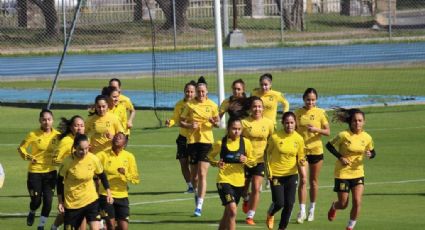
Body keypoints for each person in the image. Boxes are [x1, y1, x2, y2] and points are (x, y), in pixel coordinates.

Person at [326, 108, 376, 230]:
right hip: (342, 173)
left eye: (360, 120)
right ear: (350, 122)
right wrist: (341, 157)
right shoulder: (343, 135)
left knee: (357, 201)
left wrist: (371, 154)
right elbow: (329, 145)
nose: (357, 123)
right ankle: (334, 206)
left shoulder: (367, 137)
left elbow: (373, 151)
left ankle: (350, 226)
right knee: (343, 204)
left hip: (358, 173)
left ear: (364, 122)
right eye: (355, 121)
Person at [180, 76, 220, 217]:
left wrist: (214, 122)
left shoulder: (213, 105)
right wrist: (191, 125)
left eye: (203, 91)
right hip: (192, 142)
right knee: (194, 176)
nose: (201, 94)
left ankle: (200, 206)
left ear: (207, 91)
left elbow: (218, 123)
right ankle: (196, 194)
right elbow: (182, 122)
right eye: (199, 91)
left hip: (206, 142)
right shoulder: (190, 105)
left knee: (203, 174)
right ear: (196, 92)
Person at [57, 134, 113, 230]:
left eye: (86, 148)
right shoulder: (67, 162)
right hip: (72, 203)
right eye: (81, 149)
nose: (84, 152)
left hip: (91, 200)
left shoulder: (93, 159)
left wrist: (109, 192)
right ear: (75, 147)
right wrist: (60, 202)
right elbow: (59, 182)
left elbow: (102, 175)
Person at [208, 117, 256, 230]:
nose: (237, 131)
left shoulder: (246, 143)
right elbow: (208, 157)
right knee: (233, 210)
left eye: (239, 129)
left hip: (239, 183)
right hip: (223, 180)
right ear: (228, 128)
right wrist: (216, 163)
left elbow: (253, 162)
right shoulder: (221, 143)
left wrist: (246, 160)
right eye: (234, 129)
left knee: (228, 212)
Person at [17, 109, 60, 230]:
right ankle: (32, 211)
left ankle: (41, 225)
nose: (47, 122)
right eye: (44, 120)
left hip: (50, 172)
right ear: (40, 121)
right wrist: (29, 157)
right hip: (35, 172)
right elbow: (21, 148)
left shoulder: (58, 135)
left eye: (49, 119)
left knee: (48, 201)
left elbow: (65, 148)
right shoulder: (33, 134)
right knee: (36, 201)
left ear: (52, 120)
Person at [294, 88, 330, 223]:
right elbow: (293, 130)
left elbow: (327, 131)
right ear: (304, 99)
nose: (310, 102)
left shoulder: (321, 113)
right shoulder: (297, 113)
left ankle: (312, 210)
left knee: (313, 181)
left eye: (313, 99)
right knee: (303, 180)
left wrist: (316, 129)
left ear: (316, 100)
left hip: (316, 151)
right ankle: (302, 211)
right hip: (301, 152)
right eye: (308, 99)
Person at [265, 112, 306, 230]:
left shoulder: (299, 139)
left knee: (290, 204)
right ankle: (270, 213)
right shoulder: (275, 137)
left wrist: (302, 161)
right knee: (279, 203)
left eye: (292, 122)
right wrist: (269, 172)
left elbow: (301, 156)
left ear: (295, 123)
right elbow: (267, 154)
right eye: (287, 123)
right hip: (276, 175)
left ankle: (282, 228)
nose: (289, 125)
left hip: (292, 175)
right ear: (283, 123)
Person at [241, 96, 274, 225]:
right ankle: (245, 198)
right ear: (250, 108)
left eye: (259, 106)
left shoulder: (269, 123)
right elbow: (238, 141)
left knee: (256, 187)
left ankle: (250, 216)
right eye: (254, 106)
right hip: (245, 160)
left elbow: (273, 140)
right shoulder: (244, 123)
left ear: (263, 108)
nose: (257, 109)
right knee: (243, 188)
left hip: (260, 160)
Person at [97, 132, 140, 230]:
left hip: (122, 196)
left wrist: (125, 173)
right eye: (115, 137)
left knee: (123, 227)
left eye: (120, 138)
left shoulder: (129, 157)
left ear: (124, 143)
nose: (117, 138)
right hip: (106, 195)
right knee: (110, 225)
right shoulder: (103, 155)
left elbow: (136, 179)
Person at [51, 115, 85, 230]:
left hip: (82, 182)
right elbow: (54, 159)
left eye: (81, 125)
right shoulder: (66, 141)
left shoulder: (84, 140)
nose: (79, 128)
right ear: (71, 127)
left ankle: (54, 227)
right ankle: (55, 226)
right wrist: (68, 161)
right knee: (67, 210)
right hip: (67, 182)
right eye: (76, 125)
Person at [165, 80, 197, 193]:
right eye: (187, 91)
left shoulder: (198, 105)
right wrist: (170, 122)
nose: (189, 94)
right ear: (184, 92)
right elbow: (175, 118)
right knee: (183, 163)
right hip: (183, 137)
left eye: (192, 92)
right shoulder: (179, 104)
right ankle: (190, 186)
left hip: (195, 138)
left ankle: (197, 185)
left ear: (196, 92)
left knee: (194, 165)